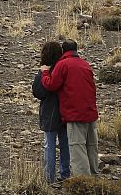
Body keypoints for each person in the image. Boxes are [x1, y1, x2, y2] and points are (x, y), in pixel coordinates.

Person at [40, 40, 99, 177]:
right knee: (91, 147)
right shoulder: (85, 65)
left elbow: (51, 85)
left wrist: (44, 73)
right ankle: (94, 177)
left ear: (63, 50)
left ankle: (84, 182)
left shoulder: (63, 64)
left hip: (75, 114)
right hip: (90, 112)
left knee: (77, 149)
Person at [32, 41, 70, 183]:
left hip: (50, 112)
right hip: (66, 111)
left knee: (49, 145)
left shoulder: (46, 71)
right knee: (65, 144)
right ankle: (65, 173)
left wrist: (40, 74)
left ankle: (49, 177)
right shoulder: (64, 68)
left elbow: (38, 92)